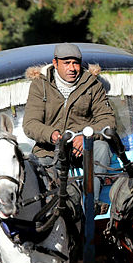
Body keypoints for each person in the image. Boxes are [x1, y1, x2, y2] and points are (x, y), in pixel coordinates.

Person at [23, 43, 116, 212]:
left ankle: (90, 203)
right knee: (35, 170)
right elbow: (30, 124)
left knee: (102, 147)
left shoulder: (92, 84)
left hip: (82, 149)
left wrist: (86, 137)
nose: (72, 68)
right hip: (50, 151)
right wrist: (53, 135)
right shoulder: (39, 86)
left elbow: (108, 120)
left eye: (75, 63)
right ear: (55, 63)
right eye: (66, 63)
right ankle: (51, 210)